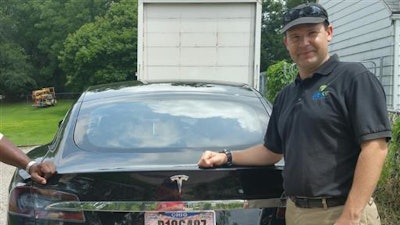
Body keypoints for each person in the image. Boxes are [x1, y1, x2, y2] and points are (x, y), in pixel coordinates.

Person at [197, 2, 391, 225]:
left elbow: (375, 148)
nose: (304, 43)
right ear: (286, 43)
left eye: (312, 33)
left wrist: (351, 215)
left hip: (340, 212)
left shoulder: (353, 78)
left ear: (329, 33)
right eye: (295, 36)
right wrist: (226, 157)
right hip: (296, 212)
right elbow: (271, 152)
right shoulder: (286, 95)